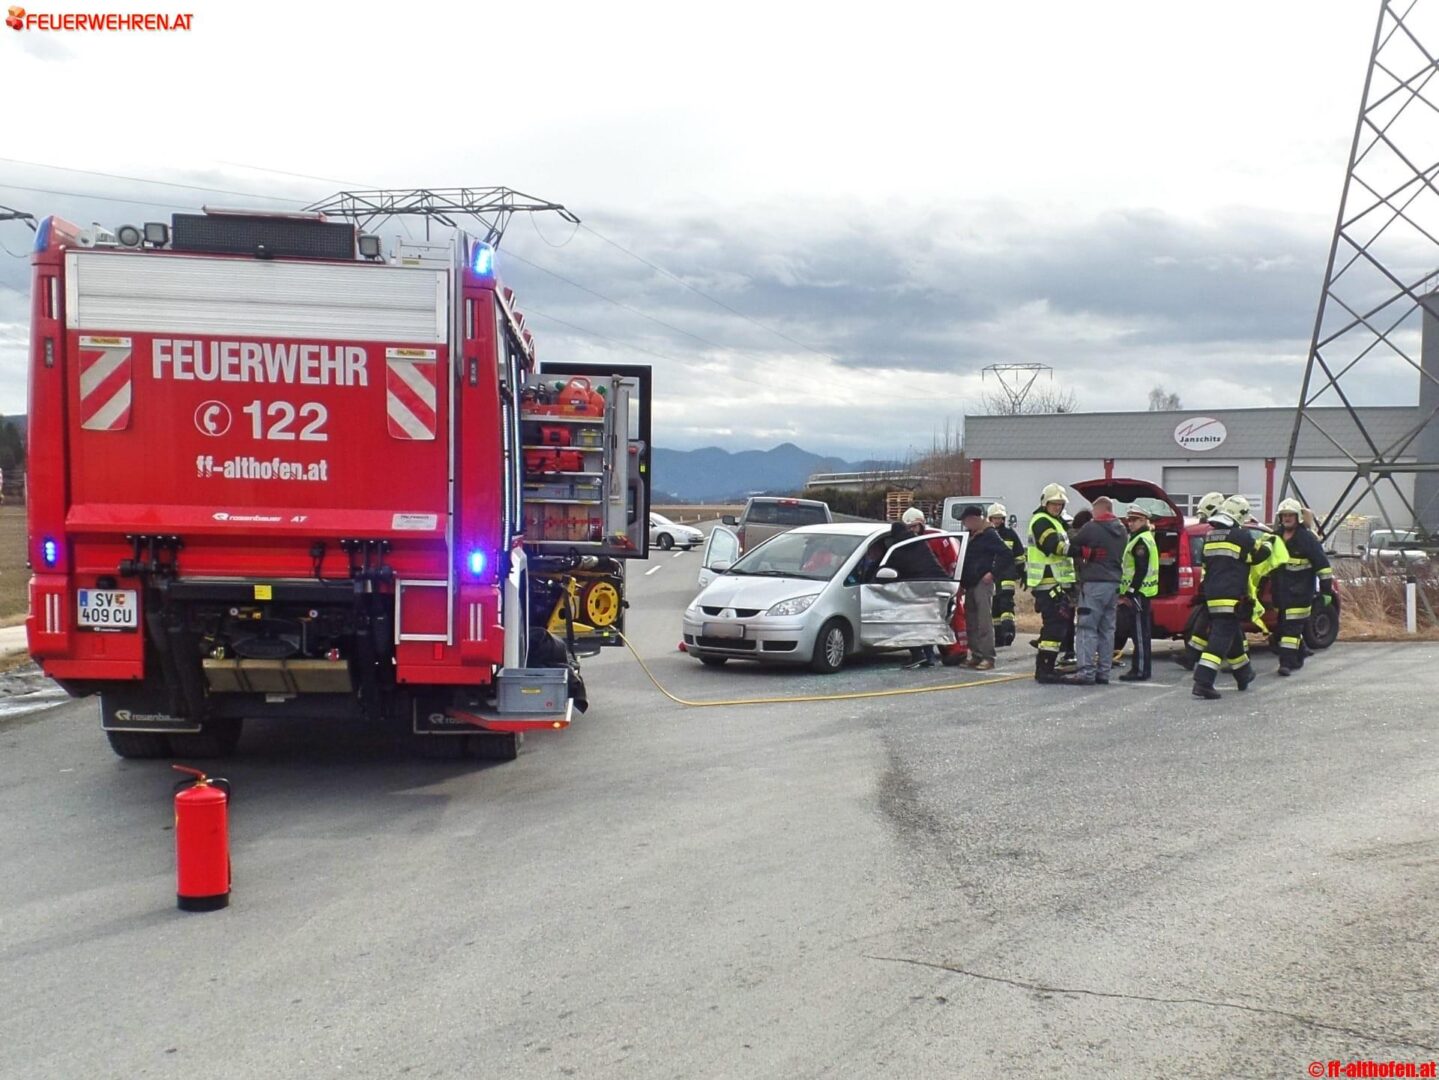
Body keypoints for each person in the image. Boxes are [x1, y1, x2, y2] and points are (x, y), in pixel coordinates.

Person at [1192, 495, 1273, 700]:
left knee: (1233, 634)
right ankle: (1203, 681)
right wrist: (1271, 542)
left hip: (1212, 596)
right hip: (1231, 596)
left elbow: (1208, 564)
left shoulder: (1210, 536)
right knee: (1219, 640)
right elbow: (1260, 555)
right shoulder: (1241, 536)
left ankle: (1244, 673)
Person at [1060, 496, 1127, 686]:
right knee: (1107, 629)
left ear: (1098, 510)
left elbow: (1073, 540)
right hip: (1113, 584)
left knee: (1087, 628)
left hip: (1094, 583)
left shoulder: (1093, 527)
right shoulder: (1122, 529)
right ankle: (1103, 672)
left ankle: (1086, 672)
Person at [1270, 497, 1333, 675]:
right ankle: (1299, 655)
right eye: (1284, 515)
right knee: (1283, 629)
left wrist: (1326, 591)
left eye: (1290, 515)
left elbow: (1323, 566)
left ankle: (1286, 664)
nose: (1287, 518)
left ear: (1297, 517)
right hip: (1281, 593)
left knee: (1291, 630)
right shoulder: (1275, 539)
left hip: (1300, 593)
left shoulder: (1307, 539)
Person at [1026, 483, 1076, 683]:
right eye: (1054, 503)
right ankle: (1044, 670)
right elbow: (1053, 546)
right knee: (1053, 627)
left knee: (1059, 626)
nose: (1058, 507)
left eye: (1060, 504)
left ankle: (1048, 666)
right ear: (1045, 503)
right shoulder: (1041, 521)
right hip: (1048, 583)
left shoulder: (1057, 522)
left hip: (1058, 583)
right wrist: (1080, 550)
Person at [885, 520, 949, 669]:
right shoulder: (920, 542)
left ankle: (917, 654)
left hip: (916, 588)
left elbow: (889, 569)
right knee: (926, 621)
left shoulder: (898, 548)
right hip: (937, 584)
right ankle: (929, 656)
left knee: (910, 621)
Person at [957, 504, 1011, 671]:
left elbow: (1006, 554)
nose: (965, 524)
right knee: (971, 621)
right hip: (970, 583)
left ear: (975, 519)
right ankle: (976, 655)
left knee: (983, 621)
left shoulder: (989, 534)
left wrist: (992, 573)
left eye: (966, 521)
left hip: (982, 583)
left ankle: (988, 657)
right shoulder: (969, 536)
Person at [1118, 504, 1159, 681]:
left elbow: (1140, 569)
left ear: (1144, 520)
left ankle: (1141, 670)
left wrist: (1131, 591)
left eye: (1135, 520)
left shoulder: (1141, 540)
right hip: (1141, 592)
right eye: (1129, 520)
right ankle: (1139, 668)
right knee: (1139, 633)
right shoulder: (1141, 537)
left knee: (1140, 635)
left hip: (1139, 593)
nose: (1130, 523)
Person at [987, 504, 1024, 647]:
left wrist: (1022, 572)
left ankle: (1008, 632)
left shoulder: (1010, 534)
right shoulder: (985, 535)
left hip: (1007, 575)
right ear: (990, 518)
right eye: (995, 518)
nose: (997, 521)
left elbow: (1019, 555)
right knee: (995, 607)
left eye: (1000, 518)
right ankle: (998, 637)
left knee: (1006, 604)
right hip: (992, 576)